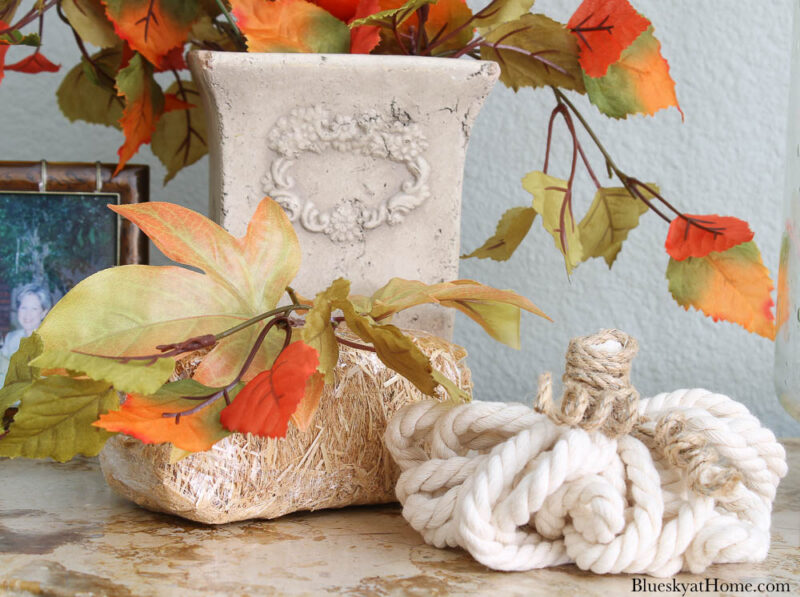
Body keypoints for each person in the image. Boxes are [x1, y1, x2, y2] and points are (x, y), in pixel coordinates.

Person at [0, 283, 51, 383]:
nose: (28, 314)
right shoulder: (11, 338)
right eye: (23, 307)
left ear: (43, 313)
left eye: (34, 309)